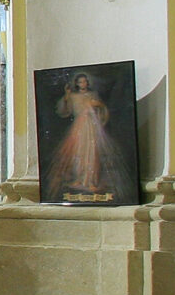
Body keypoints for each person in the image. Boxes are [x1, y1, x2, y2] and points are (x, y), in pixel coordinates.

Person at [48, 73, 123, 201]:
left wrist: (97, 109)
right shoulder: (73, 96)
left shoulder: (93, 95)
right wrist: (67, 96)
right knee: (79, 152)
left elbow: (102, 110)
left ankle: (92, 181)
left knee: (92, 152)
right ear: (77, 84)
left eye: (85, 81)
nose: (84, 84)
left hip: (92, 126)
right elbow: (66, 111)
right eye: (81, 82)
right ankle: (79, 179)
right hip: (79, 127)